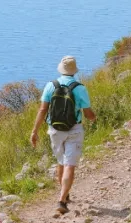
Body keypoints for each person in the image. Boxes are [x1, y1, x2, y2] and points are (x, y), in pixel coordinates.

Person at [30, 55, 96, 214]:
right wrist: (94, 118)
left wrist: (34, 131)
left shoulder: (50, 86)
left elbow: (42, 110)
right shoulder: (80, 88)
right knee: (69, 165)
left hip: (55, 130)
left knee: (61, 162)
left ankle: (65, 195)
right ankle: (61, 200)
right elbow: (87, 113)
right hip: (74, 129)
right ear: (74, 71)